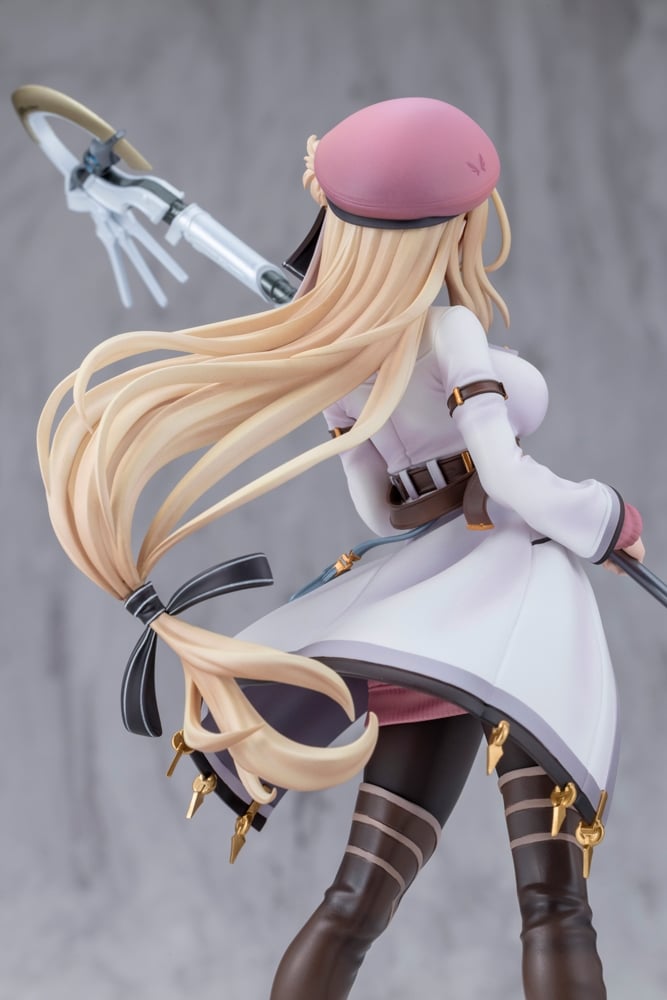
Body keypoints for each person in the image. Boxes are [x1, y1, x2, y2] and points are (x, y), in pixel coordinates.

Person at [38, 98, 644, 999]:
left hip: (432, 627)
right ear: (451, 226)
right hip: (519, 616)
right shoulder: (446, 330)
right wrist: (606, 517)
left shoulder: (339, 356)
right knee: (555, 906)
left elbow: (383, 512)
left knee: (355, 900)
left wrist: (435, 473)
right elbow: (509, 480)